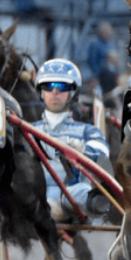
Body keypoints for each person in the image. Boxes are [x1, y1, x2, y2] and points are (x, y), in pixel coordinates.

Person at [32, 59, 111, 221]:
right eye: (48, 86)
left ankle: (94, 202)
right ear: (41, 92)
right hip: (32, 192)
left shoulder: (87, 130)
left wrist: (82, 149)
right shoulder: (28, 129)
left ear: (73, 93)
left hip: (71, 195)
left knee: (80, 190)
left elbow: (103, 152)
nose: (54, 92)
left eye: (61, 87)